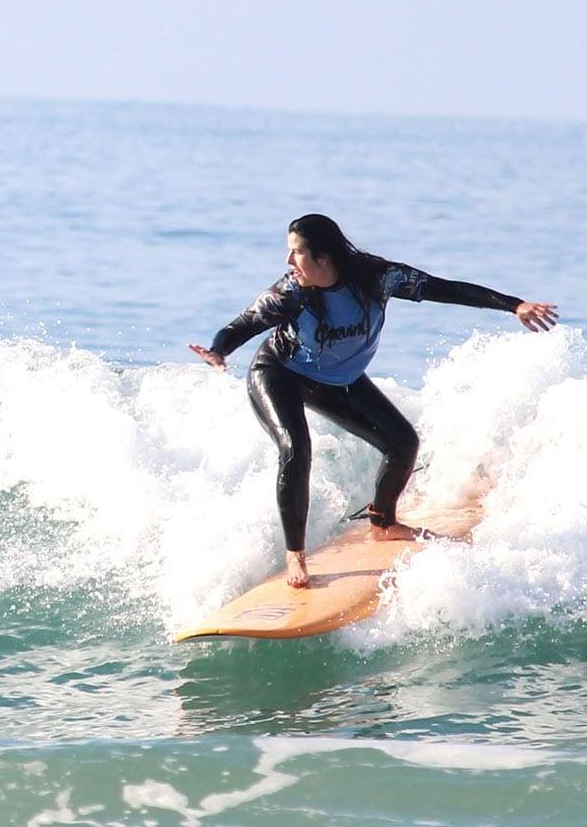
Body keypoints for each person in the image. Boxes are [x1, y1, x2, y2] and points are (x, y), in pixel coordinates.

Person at [189, 214, 558, 589]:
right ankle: (295, 556)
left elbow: (444, 289)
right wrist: (219, 350)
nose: (288, 263)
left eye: (296, 253)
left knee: (403, 444)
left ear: (324, 257)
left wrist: (514, 305)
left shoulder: (378, 278)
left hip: (336, 380)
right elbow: (244, 323)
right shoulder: (292, 292)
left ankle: (382, 523)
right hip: (279, 373)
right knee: (295, 448)